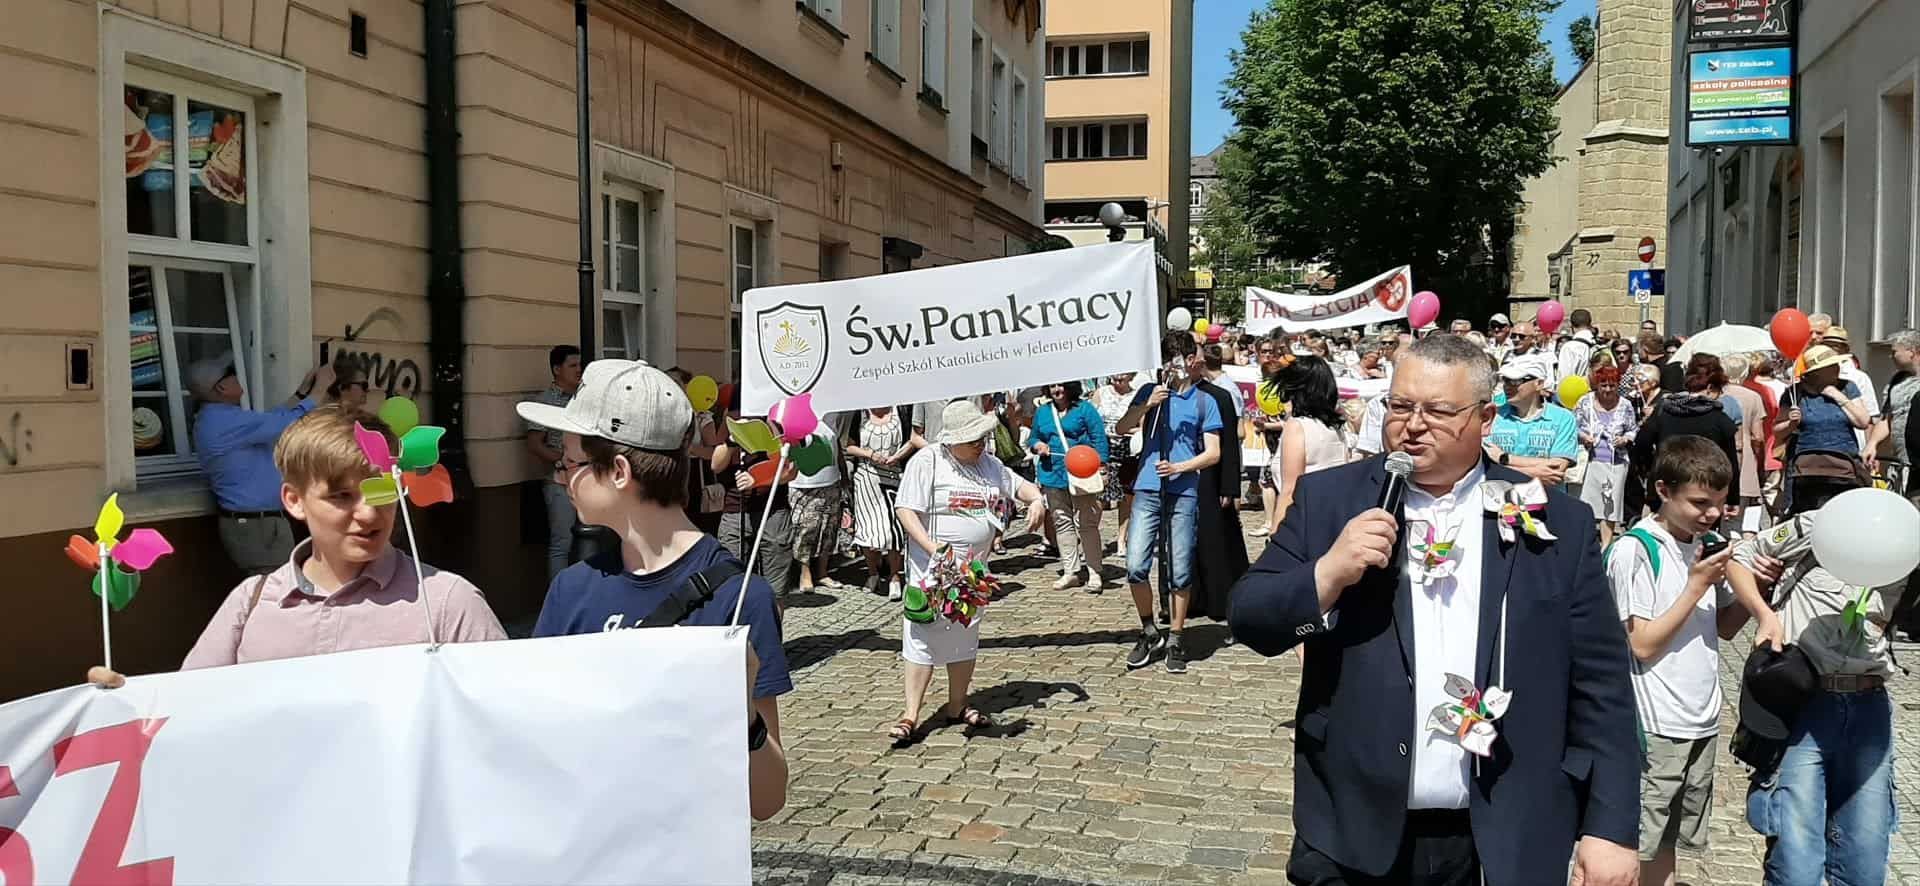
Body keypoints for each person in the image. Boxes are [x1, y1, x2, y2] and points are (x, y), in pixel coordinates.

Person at [1229, 333, 1640, 886]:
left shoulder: (1556, 521)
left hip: (1504, 830)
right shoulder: (1331, 500)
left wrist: (1611, 826)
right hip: (1352, 829)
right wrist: (1326, 575)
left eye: (1438, 411)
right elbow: (1250, 617)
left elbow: (1602, 682)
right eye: (1400, 406)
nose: (1412, 425)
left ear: (1486, 418)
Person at [517, 360, 790, 822]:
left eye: (570, 463)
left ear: (619, 471)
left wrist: (744, 717)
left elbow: (766, 801)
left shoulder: (740, 597)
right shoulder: (572, 589)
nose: (562, 477)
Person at [177, 407, 507, 669]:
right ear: (295, 500)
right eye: (342, 496)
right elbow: (188, 708)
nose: (369, 514)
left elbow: (504, 710)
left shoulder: (447, 603)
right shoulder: (250, 604)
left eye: (382, 490)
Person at [1726, 473, 1902, 885]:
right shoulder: (1817, 526)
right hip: (1807, 702)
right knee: (1796, 863)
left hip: (1869, 709)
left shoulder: (1905, 543)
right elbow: (1739, 560)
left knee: (1864, 862)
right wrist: (1765, 614)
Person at [1605, 436, 1742, 886]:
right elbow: (1642, 644)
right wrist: (1696, 585)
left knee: (1667, 843)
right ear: (1663, 490)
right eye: (1700, 502)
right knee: (1635, 844)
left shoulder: (1705, 545)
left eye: (1720, 502)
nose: (1712, 513)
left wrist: (1760, 587)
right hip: (1655, 721)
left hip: (1700, 718)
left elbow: (1725, 627)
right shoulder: (1637, 549)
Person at [889, 400, 1046, 743]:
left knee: (964, 637)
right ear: (952, 440)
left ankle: (957, 705)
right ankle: (911, 714)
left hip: (972, 574)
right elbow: (905, 510)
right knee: (922, 636)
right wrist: (932, 546)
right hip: (933, 570)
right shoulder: (928, 460)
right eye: (973, 440)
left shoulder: (989, 464)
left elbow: (1020, 486)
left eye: (982, 438)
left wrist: (1036, 500)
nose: (980, 444)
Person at [1115, 330, 1223, 674]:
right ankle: (1149, 631)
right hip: (1148, 488)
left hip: (1183, 491)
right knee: (1135, 565)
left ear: (1190, 361)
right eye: (1165, 360)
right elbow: (1121, 428)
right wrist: (1146, 405)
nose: (1170, 366)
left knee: (1179, 570)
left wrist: (1180, 467)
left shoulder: (1205, 401)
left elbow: (1213, 453)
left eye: (1175, 360)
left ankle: (1176, 636)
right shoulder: (1151, 392)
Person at [187, 350, 334, 574]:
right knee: (272, 590)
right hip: (257, 527)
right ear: (222, 387)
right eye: (231, 372)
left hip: (258, 525)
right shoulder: (225, 421)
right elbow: (290, 424)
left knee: (276, 587)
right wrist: (320, 389)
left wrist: (301, 393)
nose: (237, 375)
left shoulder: (220, 417)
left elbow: (272, 419)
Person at [1630, 355, 1741, 519]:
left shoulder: (1664, 410)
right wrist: (1732, 498)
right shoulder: (1718, 418)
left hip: (1666, 487)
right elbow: (1730, 462)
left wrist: (1654, 468)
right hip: (1704, 492)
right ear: (1710, 387)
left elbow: (1641, 444)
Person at [1027, 380, 1110, 591]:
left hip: (1081, 473)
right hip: (1053, 474)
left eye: (1061, 385)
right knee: (1062, 522)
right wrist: (1037, 445)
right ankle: (1070, 571)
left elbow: (1099, 438)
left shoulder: (1085, 409)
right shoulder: (1043, 412)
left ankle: (1094, 571)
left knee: (1087, 523)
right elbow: (1033, 437)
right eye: (1052, 386)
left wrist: (1101, 465)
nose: (1057, 390)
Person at [1189, 348, 1249, 629]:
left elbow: (1230, 446)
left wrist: (1230, 486)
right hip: (1180, 478)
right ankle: (1190, 599)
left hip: (1213, 478)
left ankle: (1220, 599)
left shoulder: (1219, 396)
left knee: (1216, 540)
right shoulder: (1167, 397)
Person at [713, 404, 800, 597]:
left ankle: (771, 617)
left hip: (773, 512)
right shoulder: (733, 416)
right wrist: (731, 440)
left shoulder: (778, 418)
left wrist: (758, 480)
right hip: (735, 512)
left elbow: (790, 471)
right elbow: (716, 465)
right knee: (733, 583)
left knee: (775, 590)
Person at [1779, 344, 1873, 512]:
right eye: (1832, 366)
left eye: (1837, 364)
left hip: (1844, 468)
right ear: (1816, 372)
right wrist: (1791, 424)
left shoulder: (1847, 387)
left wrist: (1838, 397)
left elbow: (1863, 421)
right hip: (1806, 470)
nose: (1838, 368)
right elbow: (1777, 432)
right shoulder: (1795, 393)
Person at [1268, 356, 1352, 535]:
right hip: (1333, 519)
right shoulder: (1336, 429)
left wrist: (1276, 533)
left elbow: (1291, 489)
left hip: (1303, 522)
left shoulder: (1297, 426)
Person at [523, 345, 584, 580]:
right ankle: (558, 596)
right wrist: (562, 460)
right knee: (562, 543)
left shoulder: (583, 399)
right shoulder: (545, 401)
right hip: (558, 482)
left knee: (588, 540)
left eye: (580, 365)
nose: (579, 370)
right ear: (557, 369)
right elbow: (534, 444)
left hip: (586, 480)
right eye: (573, 365)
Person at [844, 405, 914, 600]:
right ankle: (873, 573)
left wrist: (898, 456)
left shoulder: (901, 411)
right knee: (867, 529)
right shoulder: (859, 414)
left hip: (893, 476)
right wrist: (870, 454)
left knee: (893, 530)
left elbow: (912, 439)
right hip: (866, 478)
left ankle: (894, 576)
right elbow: (849, 446)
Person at [1484, 355, 1579, 487]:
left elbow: (1556, 469)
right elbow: (1485, 467)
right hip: (1501, 496)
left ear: (1539, 384)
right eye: (1505, 380)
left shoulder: (1563, 418)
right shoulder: (1493, 416)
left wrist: (1504, 458)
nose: (1507, 386)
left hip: (1547, 498)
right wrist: (1536, 472)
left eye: (1516, 381)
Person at [1575, 365, 1637, 545]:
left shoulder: (1625, 405)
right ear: (1597, 384)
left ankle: (1606, 545)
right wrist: (1584, 437)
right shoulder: (1585, 402)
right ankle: (1586, 541)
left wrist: (1625, 439)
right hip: (1590, 461)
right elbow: (1572, 426)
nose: (1608, 389)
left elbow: (1633, 429)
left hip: (1616, 463)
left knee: (1610, 506)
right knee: (1587, 503)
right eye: (1604, 385)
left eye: (1612, 385)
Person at [788, 415, 847, 593]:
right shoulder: (796, 413)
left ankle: (823, 572)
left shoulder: (832, 414)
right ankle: (804, 573)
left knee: (829, 528)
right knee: (806, 529)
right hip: (802, 483)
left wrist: (843, 472)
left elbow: (836, 445)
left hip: (831, 479)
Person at [1091, 373, 1142, 557]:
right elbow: (1090, 421)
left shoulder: (1136, 396)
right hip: (1103, 447)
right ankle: (1092, 540)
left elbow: (1142, 426)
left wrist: (1125, 429)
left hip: (1126, 448)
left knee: (1126, 497)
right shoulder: (1101, 393)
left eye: (1123, 373)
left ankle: (1122, 539)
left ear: (1131, 375)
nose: (1118, 376)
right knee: (1098, 495)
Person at [1717, 354, 1768, 535]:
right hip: (1745, 457)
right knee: (1740, 520)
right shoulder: (1753, 397)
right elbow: (1758, 437)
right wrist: (1760, 463)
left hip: (1717, 455)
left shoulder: (1716, 395)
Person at [1818, 327, 1883, 459]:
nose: (1830, 350)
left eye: (1835, 346)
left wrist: (1869, 448)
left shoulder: (1859, 377)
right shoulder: (1815, 374)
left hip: (1853, 444)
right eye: (1827, 345)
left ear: (1845, 349)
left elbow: (1871, 416)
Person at [1557, 308, 1597, 382]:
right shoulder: (1599, 345)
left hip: (1578, 388)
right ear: (1590, 324)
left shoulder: (1569, 348)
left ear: (1571, 326)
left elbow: (1564, 379)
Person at [1640, 330, 1683, 395]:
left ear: (1645, 348)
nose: (1671, 355)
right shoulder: (1663, 364)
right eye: (1669, 352)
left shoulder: (1656, 368)